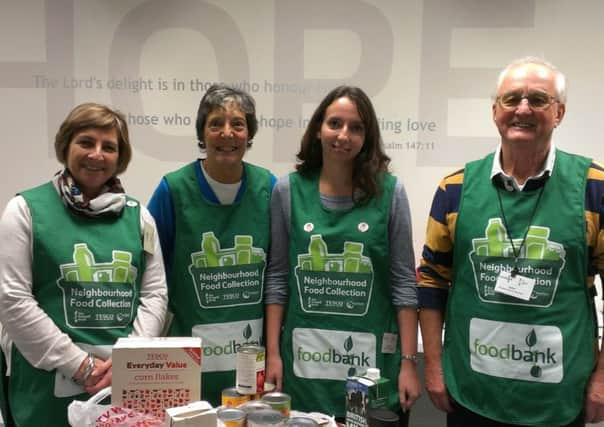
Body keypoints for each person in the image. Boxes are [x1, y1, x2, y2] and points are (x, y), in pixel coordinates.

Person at [418, 56, 604, 427]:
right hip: (472, 392)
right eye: (512, 99)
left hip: (559, 396)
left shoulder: (594, 187)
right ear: (494, 111)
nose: (523, 109)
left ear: (559, 112)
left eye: (538, 100)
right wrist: (435, 368)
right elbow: (431, 281)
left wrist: (602, 378)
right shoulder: (454, 188)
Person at [0, 103, 168, 427]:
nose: (97, 154)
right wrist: (81, 366)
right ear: (66, 146)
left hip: (120, 388)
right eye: (86, 142)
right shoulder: (24, 210)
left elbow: (155, 293)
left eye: (109, 147)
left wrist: (127, 362)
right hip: (44, 390)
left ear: (121, 157)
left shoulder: (140, 217)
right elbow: (12, 299)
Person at [265, 86, 420, 423]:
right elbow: (277, 279)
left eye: (357, 127)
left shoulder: (391, 194)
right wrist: (272, 355)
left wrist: (409, 362)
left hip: (371, 370)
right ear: (318, 129)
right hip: (304, 370)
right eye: (335, 123)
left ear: (368, 137)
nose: (343, 135)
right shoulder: (287, 191)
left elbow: (404, 284)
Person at [148, 83, 275, 406]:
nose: (227, 133)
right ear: (202, 134)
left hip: (250, 357)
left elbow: (280, 275)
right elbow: (149, 276)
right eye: (215, 123)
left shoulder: (270, 188)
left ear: (250, 134)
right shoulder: (172, 191)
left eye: (238, 124)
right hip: (187, 358)